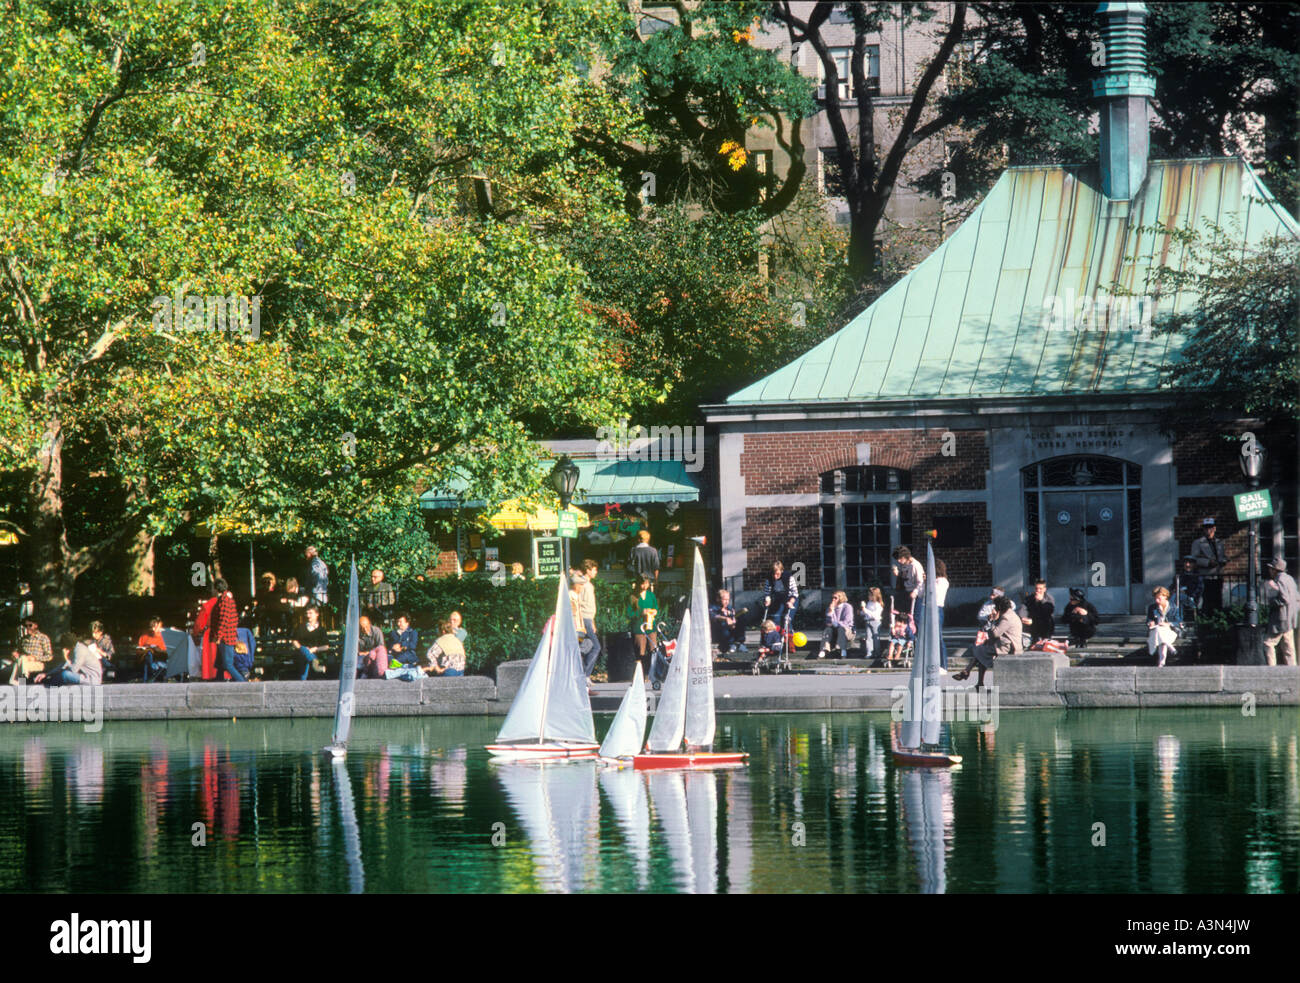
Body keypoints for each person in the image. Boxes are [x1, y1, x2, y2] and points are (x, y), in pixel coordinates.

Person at [953, 594, 1022, 689]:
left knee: (980, 650)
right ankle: (974, 678)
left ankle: (969, 673)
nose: (995, 609)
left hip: (1010, 647)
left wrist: (991, 621)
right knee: (982, 649)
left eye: (996, 607)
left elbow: (995, 633)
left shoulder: (1007, 617)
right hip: (1007, 643)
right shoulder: (1010, 614)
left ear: (1000, 607)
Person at [1260, 558, 1299, 667]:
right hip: (1291, 617)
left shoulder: (1279, 580)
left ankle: (1272, 669)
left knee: (1268, 643)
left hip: (1281, 618)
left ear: (1274, 570)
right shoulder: (1290, 579)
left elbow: (1284, 599)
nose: (1269, 571)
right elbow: (1297, 598)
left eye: (1270, 568)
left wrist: (1272, 602)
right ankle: (1293, 670)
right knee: (1288, 646)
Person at [35, 631, 102, 686]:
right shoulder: (75, 648)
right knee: (63, 672)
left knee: (65, 674)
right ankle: (46, 679)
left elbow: (73, 670)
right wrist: (46, 674)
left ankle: (49, 681)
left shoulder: (80, 651)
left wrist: (65, 657)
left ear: (69, 646)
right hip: (85, 675)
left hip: (92, 679)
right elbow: (62, 665)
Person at [212, 579, 247, 682]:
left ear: (216, 589)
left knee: (227, 664)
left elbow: (223, 620)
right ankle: (218, 683)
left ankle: (243, 683)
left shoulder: (225, 601)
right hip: (227, 635)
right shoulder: (225, 599)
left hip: (226, 637)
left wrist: (219, 636)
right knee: (220, 664)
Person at [625, 576, 659, 683]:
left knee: (653, 651)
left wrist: (654, 612)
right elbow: (629, 614)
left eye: (646, 584)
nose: (644, 586)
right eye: (642, 584)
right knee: (640, 653)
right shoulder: (632, 597)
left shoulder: (651, 595)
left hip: (650, 627)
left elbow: (656, 608)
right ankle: (640, 676)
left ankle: (652, 674)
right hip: (639, 629)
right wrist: (641, 612)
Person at [571, 560, 601, 676]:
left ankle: (580, 668)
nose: (596, 572)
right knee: (596, 647)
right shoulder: (583, 584)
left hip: (588, 618)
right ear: (588, 570)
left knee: (589, 644)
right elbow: (578, 602)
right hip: (584, 619)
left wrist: (592, 621)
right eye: (594, 570)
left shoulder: (589, 585)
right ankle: (584, 675)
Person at [1191, 518, 1226, 614]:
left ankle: (1217, 619)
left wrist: (1223, 561)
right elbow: (1194, 559)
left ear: (1214, 528)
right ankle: (1206, 620)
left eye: (1210, 528)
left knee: (1218, 600)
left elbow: (1223, 556)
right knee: (1206, 601)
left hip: (1218, 575)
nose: (1208, 530)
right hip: (1205, 576)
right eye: (1206, 528)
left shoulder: (1219, 542)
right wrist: (1207, 563)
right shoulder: (1198, 543)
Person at [1147, 585, 1181, 668]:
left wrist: (1168, 624)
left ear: (1165, 597)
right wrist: (1150, 623)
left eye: (1159, 598)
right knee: (1159, 630)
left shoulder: (1173, 607)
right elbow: (1148, 620)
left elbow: (1178, 622)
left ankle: (1161, 662)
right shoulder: (1152, 608)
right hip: (1156, 632)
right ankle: (1168, 652)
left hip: (1170, 632)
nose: (1157, 600)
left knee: (1161, 636)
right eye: (1155, 598)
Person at [9, 617, 53, 683]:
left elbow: (49, 656)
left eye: (30, 625)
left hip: (38, 663)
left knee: (21, 661)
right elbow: (17, 651)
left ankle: (17, 681)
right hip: (23, 662)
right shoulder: (23, 639)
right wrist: (14, 654)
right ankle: (22, 681)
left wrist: (34, 658)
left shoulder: (43, 638)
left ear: (36, 625)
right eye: (25, 626)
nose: (27, 627)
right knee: (22, 659)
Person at [292, 605, 331, 678]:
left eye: (310, 613)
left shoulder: (321, 630)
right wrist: (302, 648)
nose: (308, 615)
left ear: (317, 614)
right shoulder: (301, 627)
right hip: (301, 653)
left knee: (305, 659)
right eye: (307, 613)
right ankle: (315, 665)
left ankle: (303, 682)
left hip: (316, 654)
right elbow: (294, 641)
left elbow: (326, 646)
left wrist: (314, 649)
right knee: (304, 652)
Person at [762, 560, 799, 626]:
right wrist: (767, 599)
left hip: (790, 598)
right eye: (773, 574)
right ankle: (777, 635)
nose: (775, 576)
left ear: (782, 571)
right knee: (775, 618)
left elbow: (795, 593)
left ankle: (788, 634)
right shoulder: (769, 579)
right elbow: (767, 593)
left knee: (786, 620)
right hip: (779, 599)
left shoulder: (788, 577)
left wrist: (790, 602)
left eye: (777, 574)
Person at [710, 589, 746, 655]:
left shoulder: (729, 608)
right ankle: (730, 644)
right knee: (723, 622)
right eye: (724, 600)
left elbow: (733, 618)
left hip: (730, 630)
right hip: (717, 632)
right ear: (718, 599)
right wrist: (725, 618)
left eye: (728, 600)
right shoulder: (713, 607)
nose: (727, 602)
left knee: (741, 618)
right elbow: (713, 616)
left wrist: (733, 622)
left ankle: (740, 643)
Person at [821, 590, 855, 659]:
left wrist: (834, 624)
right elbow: (828, 622)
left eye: (835, 598)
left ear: (841, 598)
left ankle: (842, 650)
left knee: (841, 628)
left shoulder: (847, 607)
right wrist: (830, 612)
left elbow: (846, 622)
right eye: (832, 598)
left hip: (847, 631)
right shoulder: (830, 607)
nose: (833, 599)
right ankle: (824, 650)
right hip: (834, 631)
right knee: (827, 630)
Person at [1020, 580, 1056, 644]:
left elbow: (1049, 611)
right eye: (1036, 588)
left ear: (1044, 589)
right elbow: (1023, 608)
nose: (1038, 590)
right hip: (1033, 624)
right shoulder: (1029, 598)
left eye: (1040, 589)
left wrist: (1042, 600)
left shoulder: (1049, 598)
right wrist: (1023, 617)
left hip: (1046, 624)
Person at [891, 547, 924, 618]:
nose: (899, 561)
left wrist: (915, 592)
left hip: (915, 595)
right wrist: (898, 574)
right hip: (906, 593)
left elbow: (921, 582)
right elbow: (905, 577)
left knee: (915, 617)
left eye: (900, 558)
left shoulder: (915, 565)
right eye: (897, 559)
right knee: (905, 617)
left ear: (906, 556)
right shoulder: (904, 565)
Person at [136, 616, 169, 681]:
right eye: (152, 627)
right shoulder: (144, 637)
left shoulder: (165, 637)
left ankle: (146, 680)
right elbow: (138, 649)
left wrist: (159, 650)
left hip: (160, 660)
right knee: (148, 654)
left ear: (161, 625)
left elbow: (170, 653)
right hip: (145, 659)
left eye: (156, 627)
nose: (154, 629)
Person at [356, 615, 387, 679]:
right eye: (362, 628)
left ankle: (377, 674)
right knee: (357, 663)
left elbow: (381, 647)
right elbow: (356, 651)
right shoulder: (356, 634)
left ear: (369, 624)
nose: (364, 629)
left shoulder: (376, 631)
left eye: (366, 627)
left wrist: (370, 652)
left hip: (374, 655)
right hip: (362, 657)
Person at [304, 545, 330, 620]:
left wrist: (313, 589)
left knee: (314, 613)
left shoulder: (315, 564)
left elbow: (318, 578)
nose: (306, 557)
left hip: (316, 593)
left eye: (307, 554)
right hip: (322, 592)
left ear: (310, 553)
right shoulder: (321, 563)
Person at [859, 587, 884, 660]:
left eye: (870, 595)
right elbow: (866, 613)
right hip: (868, 621)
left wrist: (864, 609)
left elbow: (874, 615)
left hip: (875, 621)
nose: (868, 596)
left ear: (875, 596)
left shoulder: (878, 605)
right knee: (868, 638)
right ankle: (869, 652)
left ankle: (877, 653)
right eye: (868, 595)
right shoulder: (869, 603)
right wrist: (861, 612)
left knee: (876, 638)